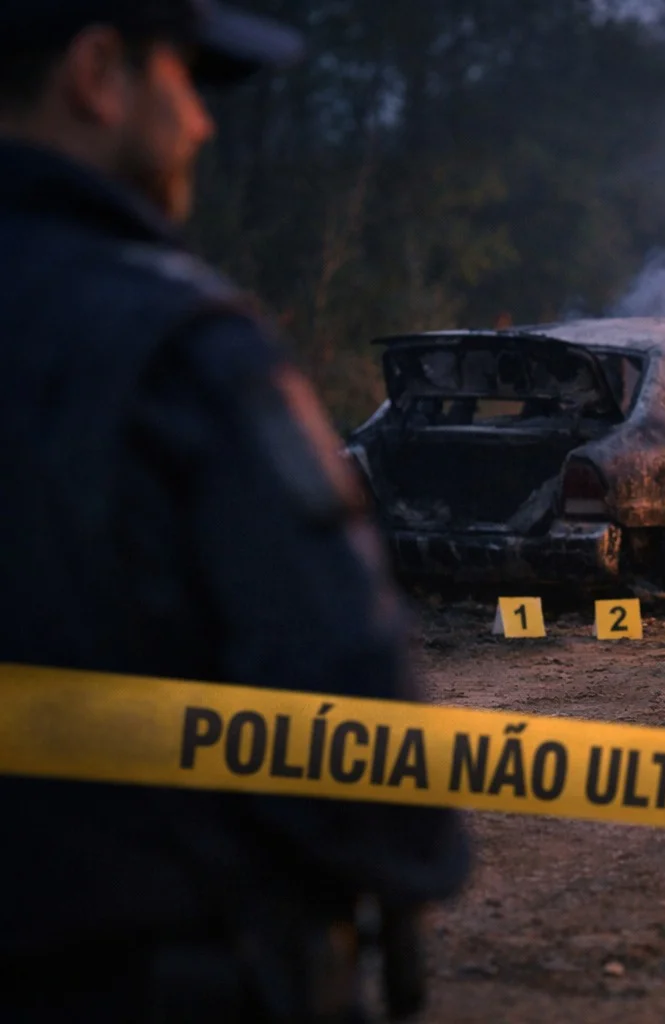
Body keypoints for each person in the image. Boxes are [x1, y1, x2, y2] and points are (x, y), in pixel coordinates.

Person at [0, 3, 470, 1021]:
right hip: (137, 964)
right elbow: (337, 674)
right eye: (182, 76)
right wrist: (409, 855)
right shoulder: (175, 344)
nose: (204, 124)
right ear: (96, 73)